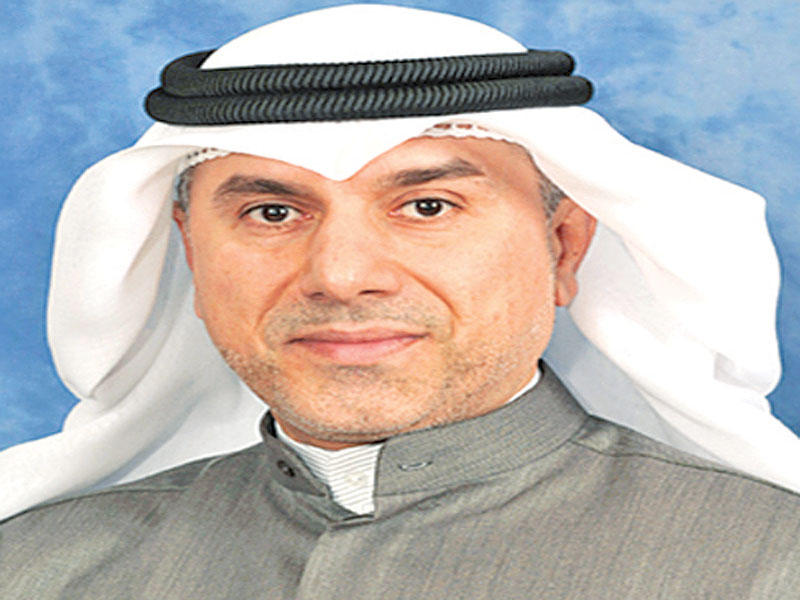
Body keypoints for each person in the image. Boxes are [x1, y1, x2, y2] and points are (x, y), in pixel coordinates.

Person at [1, 4, 798, 598]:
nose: (342, 276)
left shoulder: (769, 565)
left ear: (563, 246)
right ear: (191, 254)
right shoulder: (35, 568)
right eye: (272, 213)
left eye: (427, 207)